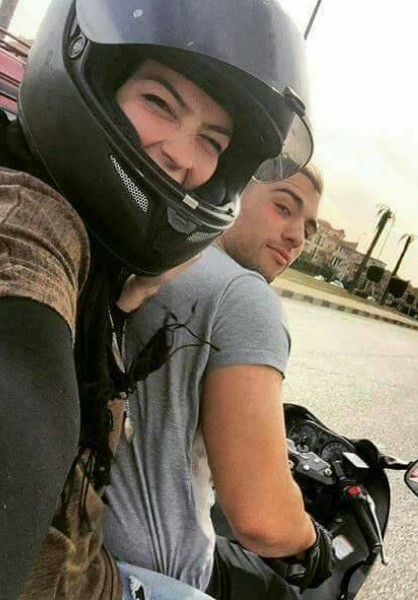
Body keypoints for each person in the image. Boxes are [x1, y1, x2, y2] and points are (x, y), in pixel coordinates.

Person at [0, 0, 314, 598]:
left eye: (211, 141)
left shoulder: (105, 267)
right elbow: (13, 376)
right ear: (90, 73)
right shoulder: (29, 225)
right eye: (160, 103)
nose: (183, 157)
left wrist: (121, 302)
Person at [103, 165, 334, 599]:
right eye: (283, 208)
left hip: (80, 536)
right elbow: (262, 520)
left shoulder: (151, 253)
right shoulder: (244, 295)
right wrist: (313, 541)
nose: (296, 238)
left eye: (308, 229)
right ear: (231, 191)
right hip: (151, 574)